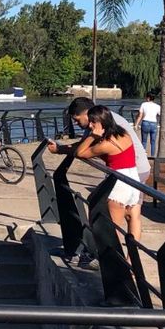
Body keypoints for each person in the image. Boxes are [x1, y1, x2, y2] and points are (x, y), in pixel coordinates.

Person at [46, 104, 144, 247]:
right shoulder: (124, 134)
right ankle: (132, 264)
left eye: (93, 122)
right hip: (133, 180)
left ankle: (116, 264)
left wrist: (93, 136)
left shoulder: (105, 144)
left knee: (112, 230)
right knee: (133, 217)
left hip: (118, 184)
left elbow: (80, 152)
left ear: (102, 122)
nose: (90, 125)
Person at [135, 92, 161, 158]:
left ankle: (143, 155)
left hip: (145, 123)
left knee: (144, 140)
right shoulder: (157, 106)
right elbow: (160, 115)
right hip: (154, 123)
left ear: (148, 98)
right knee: (153, 141)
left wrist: (136, 124)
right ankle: (153, 156)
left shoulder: (143, 104)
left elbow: (140, 115)